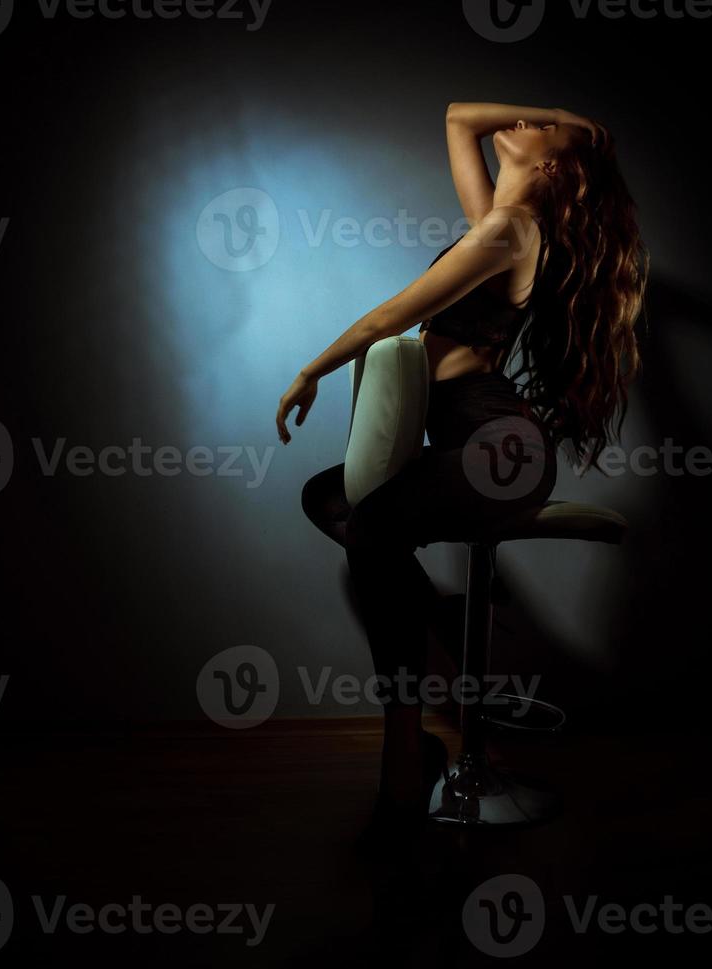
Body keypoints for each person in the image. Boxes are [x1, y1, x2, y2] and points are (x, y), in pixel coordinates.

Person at [276, 102, 650, 855]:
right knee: (330, 496)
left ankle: (405, 752)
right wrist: (566, 124)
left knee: (374, 524)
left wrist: (312, 369)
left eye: (543, 127)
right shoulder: (502, 223)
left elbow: (391, 317)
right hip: (474, 442)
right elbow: (457, 118)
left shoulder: (508, 232)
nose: (524, 120)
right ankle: (442, 624)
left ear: (551, 167)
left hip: (496, 444)